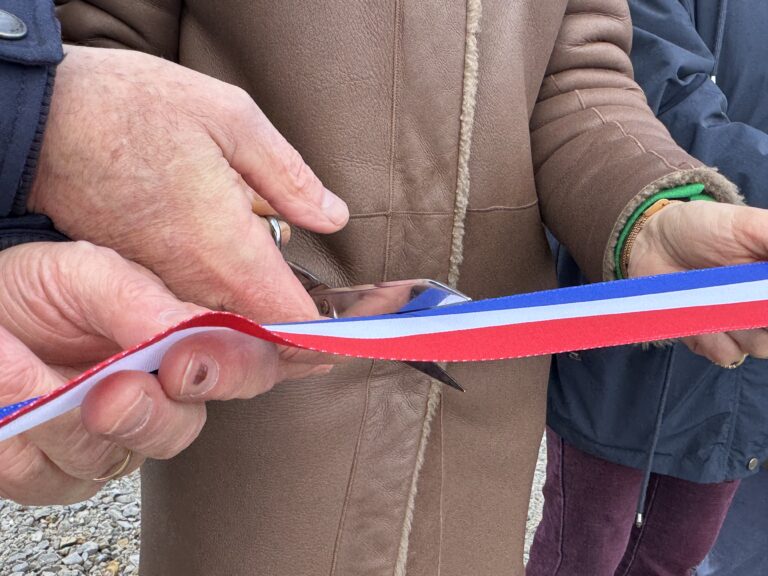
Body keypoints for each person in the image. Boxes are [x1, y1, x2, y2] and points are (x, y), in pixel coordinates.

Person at [3, 1, 768, 574]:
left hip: (483, 428)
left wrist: (651, 210)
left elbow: (578, 71)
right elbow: (95, 47)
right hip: (253, 412)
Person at [528, 1, 768, 575]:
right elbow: (654, 78)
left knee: (677, 552)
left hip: (745, 368)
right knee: (583, 549)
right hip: (635, 324)